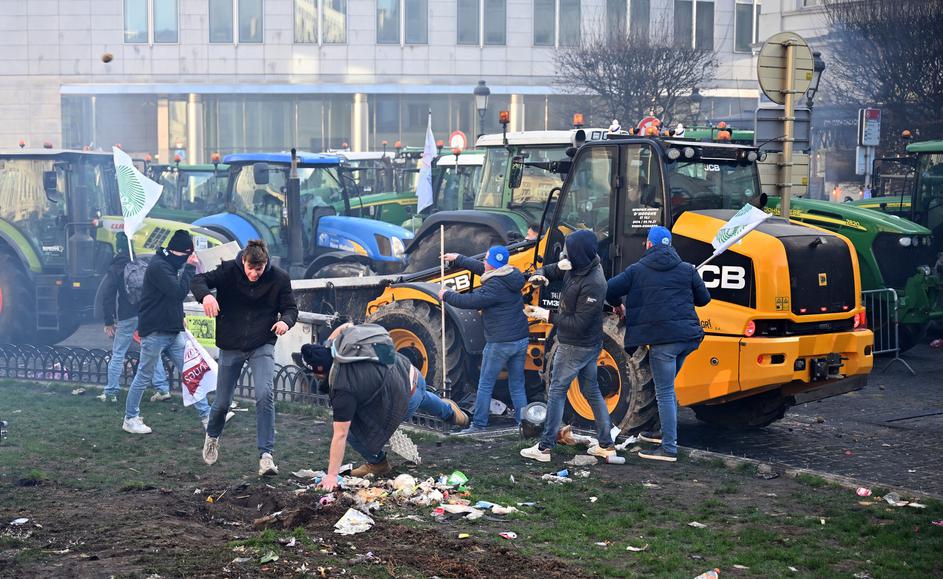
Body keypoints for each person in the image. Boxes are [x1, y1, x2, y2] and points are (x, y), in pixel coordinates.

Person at [300, 323, 468, 489]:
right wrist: (329, 341)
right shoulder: (339, 346)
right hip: (410, 372)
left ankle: (377, 463)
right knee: (421, 394)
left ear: (320, 370)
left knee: (353, 432)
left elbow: (340, 435)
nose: (316, 377)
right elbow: (347, 325)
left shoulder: (342, 387)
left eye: (315, 374)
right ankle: (451, 413)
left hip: (405, 400)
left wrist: (331, 476)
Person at [191, 239, 298, 476]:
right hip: (231, 342)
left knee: (265, 394)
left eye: (258, 269)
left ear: (266, 263)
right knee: (221, 403)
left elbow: (291, 308)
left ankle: (266, 456)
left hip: (262, 341)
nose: (253, 274)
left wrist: (285, 321)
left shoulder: (279, 278)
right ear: (243, 261)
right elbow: (198, 280)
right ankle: (212, 436)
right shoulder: (229, 269)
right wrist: (206, 296)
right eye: (250, 268)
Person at [605, 226, 711, 462]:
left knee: (663, 391)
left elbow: (610, 288)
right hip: (688, 338)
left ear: (649, 245)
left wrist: (618, 305)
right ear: (670, 245)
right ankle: (663, 433)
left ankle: (669, 448)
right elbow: (704, 300)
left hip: (663, 341)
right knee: (667, 387)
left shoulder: (637, 270)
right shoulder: (687, 269)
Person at [519, 229, 616, 462]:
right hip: (586, 345)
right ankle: (606, 445)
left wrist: (546, 315)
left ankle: (544, 447)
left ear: (579, 253)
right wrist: (541, 273)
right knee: (591, 391)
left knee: (556, 391)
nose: (565, 255)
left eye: (569, 251)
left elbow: (578, 323)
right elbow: (555, 269)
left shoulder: (594, 283)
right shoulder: (578, 264)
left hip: (576, 345)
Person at [122, 230, 211, 434]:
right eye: (187, 256)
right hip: (155, 331)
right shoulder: (159, 267)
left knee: (190, 373)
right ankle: (130, 418)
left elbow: (169, 299)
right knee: (144, 375)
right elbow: (177, 293)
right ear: (178, 252)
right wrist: (189, 267)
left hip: (172, 329)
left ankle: (207, 417)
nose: (188, 260)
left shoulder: (167, 264)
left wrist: (180, 319)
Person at [439, 246, 528, 433]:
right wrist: (459, 258)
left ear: (492, 264)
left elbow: (470, 301)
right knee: (517, 384)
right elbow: (483, 269)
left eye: (486, 259)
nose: (484, 261)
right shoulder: (511, 275)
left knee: (485, 384)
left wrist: (446, 295)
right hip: (520, 339)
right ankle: (524, 424)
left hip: (500, 342)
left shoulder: (494, 286)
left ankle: (479, 424)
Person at [98, 232, 171, 403]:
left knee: (118, 352)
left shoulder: (115, 267)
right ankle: (162, 389)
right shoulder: (141, 263)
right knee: (152, 351)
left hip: (127, 315)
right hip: (147, 313)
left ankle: (111, 392)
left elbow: (107, 296)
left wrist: (109, 321)